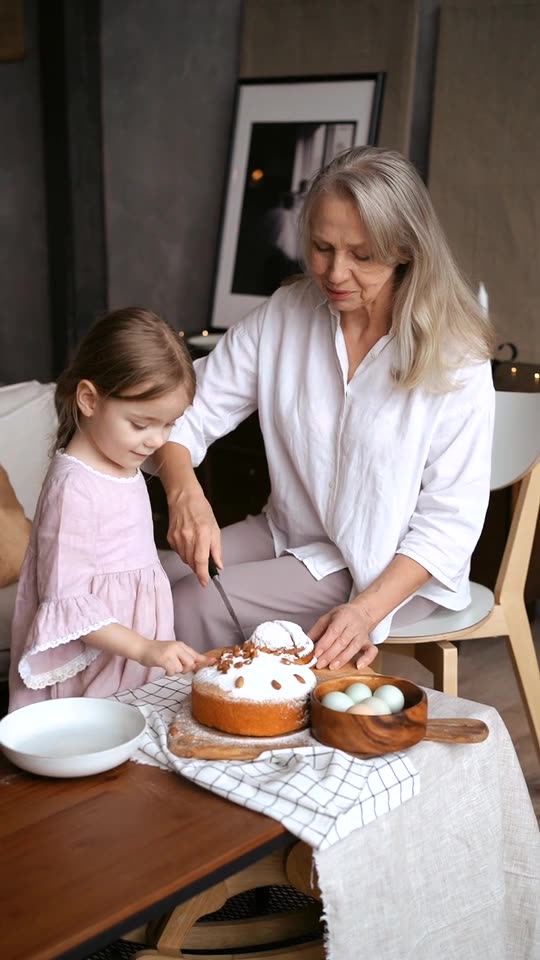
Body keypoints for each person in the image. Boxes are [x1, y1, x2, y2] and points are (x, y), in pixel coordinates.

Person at [156, 146, 495, 673]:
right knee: (148, 582)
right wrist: (184, 492)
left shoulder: (456, 356)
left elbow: (450, 524)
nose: (336, 273)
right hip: (289, 532)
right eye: (322, 247)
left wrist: (364, 611)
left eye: (362, 255)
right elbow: (185, 414)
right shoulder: (283, 318)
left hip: (383, 567)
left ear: (405, 248)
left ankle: (217, 744)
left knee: (189, 603)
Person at [9, 308, 208, 712]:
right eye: (140, 423)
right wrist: (145, 647)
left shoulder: (122, 459)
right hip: (97, 659)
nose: (156, 441)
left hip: (130, 651)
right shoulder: (75, 489)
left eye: (168, 426)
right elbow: (67, 601)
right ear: (89, 400)